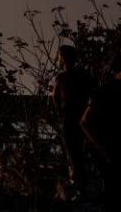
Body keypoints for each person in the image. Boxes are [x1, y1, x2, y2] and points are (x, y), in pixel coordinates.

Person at [52, 44, 94, 193]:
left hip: (71, 119)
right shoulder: (82, 76)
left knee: (73, 152)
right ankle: (80, 182)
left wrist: (60, 113)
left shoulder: (63, 78)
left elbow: (55, 98)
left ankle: (79, 183)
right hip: (78, 118)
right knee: (77, 153)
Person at [81, 53, 121, 206]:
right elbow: (84, 121)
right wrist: (102, 148)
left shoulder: (105, 90)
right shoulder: (105, 91)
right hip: (106, 149)